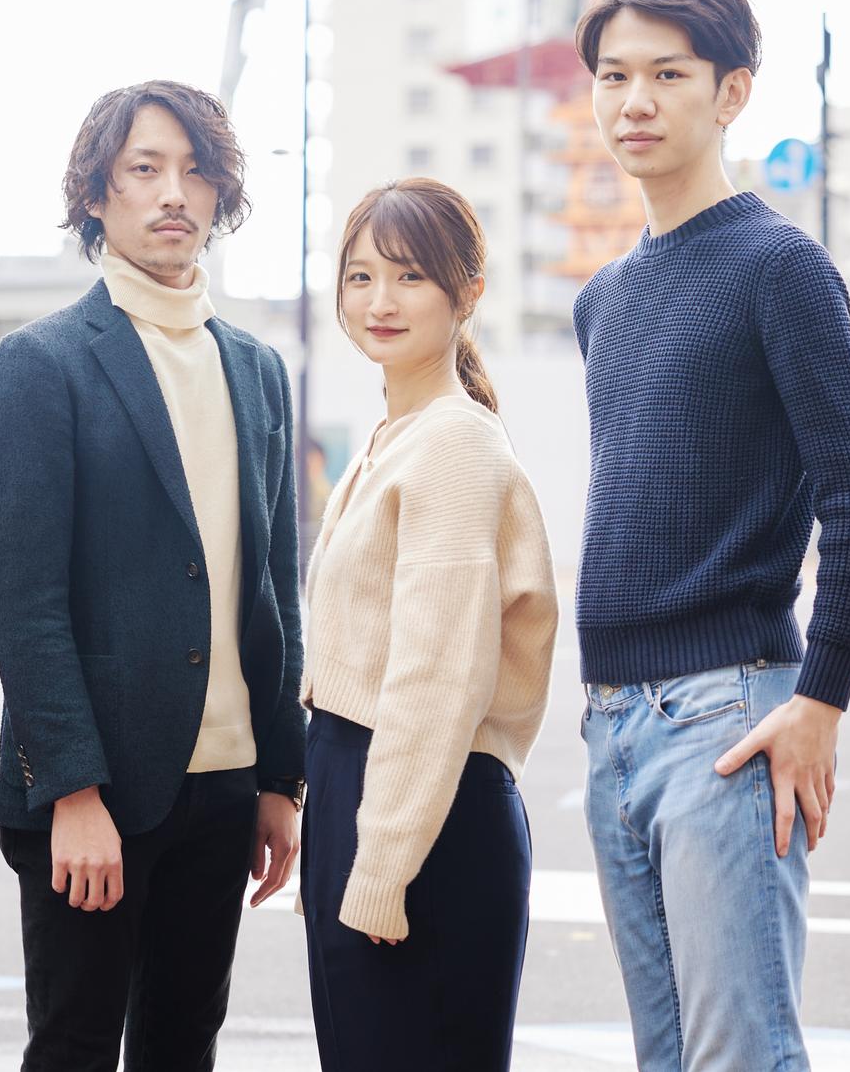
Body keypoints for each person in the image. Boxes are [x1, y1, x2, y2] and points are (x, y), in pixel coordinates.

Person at [569, 0, 850, 1070]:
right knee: (668, 1057)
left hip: (726, 715)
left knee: (738, 1055)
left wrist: (822, 699)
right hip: (612, 722)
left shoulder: (779, 268)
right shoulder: (602, 298)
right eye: (613, 75)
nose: (635, 100)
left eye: (668, 74)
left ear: (731, 93)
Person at [0, 80, 305, 1072]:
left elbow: (275, 585)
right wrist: (72, 790)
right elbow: (23, 606)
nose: (173, 193)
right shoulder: (40, 365)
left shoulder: (256, 368)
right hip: (98, 787)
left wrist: (279, 777)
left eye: (196, 171)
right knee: (74, 1046)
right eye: (144, 168)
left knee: (183, 1046)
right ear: (96, 193)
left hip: (225, 783)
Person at [299, 178, 557, 1071]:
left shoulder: (453, 443)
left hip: (425, 816)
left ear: (466, 292)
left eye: (410, 276)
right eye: (361, 276)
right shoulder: (392, 438)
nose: (381, 299)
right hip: (373, 795)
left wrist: (381, 862)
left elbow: (436, 677)